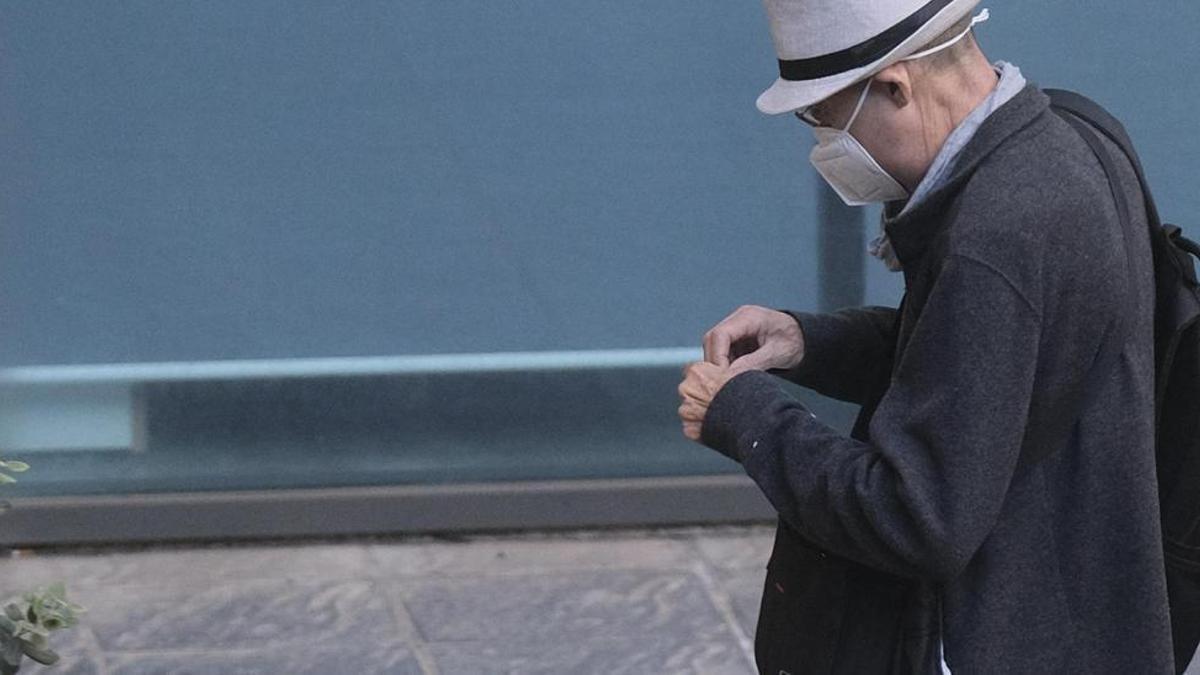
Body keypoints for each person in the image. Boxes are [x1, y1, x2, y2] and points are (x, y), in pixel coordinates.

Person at [677, 0, 1175, 672]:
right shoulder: (1075, 140)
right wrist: (809, 341)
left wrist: (745, 416)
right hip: (1087, 614)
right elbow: (990, 364)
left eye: (823, 118)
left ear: (894, 85)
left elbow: (916, 516)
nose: (823, 145)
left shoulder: (994, 235)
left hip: (1005, 636)